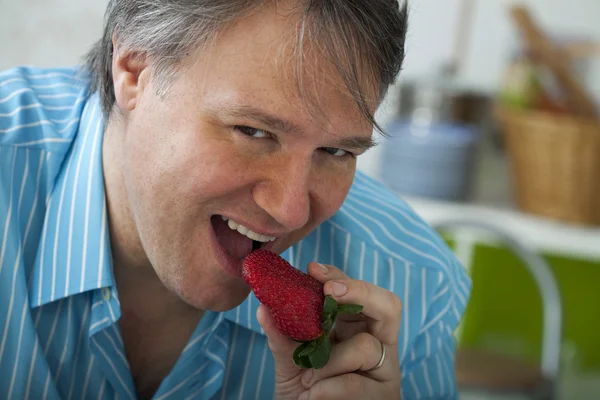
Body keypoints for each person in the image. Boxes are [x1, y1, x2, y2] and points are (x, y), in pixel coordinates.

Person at [0, 0, 471, 399]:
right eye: (253, 131)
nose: (290, 210)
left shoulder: (415, 286)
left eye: (335, 151)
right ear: (135, 69)